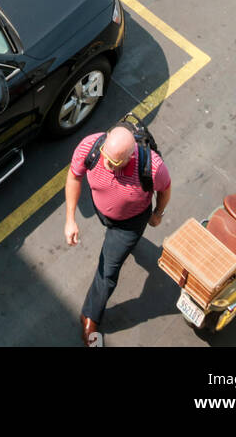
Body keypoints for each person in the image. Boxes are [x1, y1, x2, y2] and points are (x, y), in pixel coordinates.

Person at [64, 123, 172, 347]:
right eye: (105, 156)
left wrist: (158, 213)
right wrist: (70, 219)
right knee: (114, 245)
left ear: (130, 157)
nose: (105, 163)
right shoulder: (91, 147)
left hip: (129, 224)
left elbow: (165, 189)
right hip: (102, 211)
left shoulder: (153, 167)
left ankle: (90, 317)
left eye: (114, 162)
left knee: (108, 272)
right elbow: (74, 176)